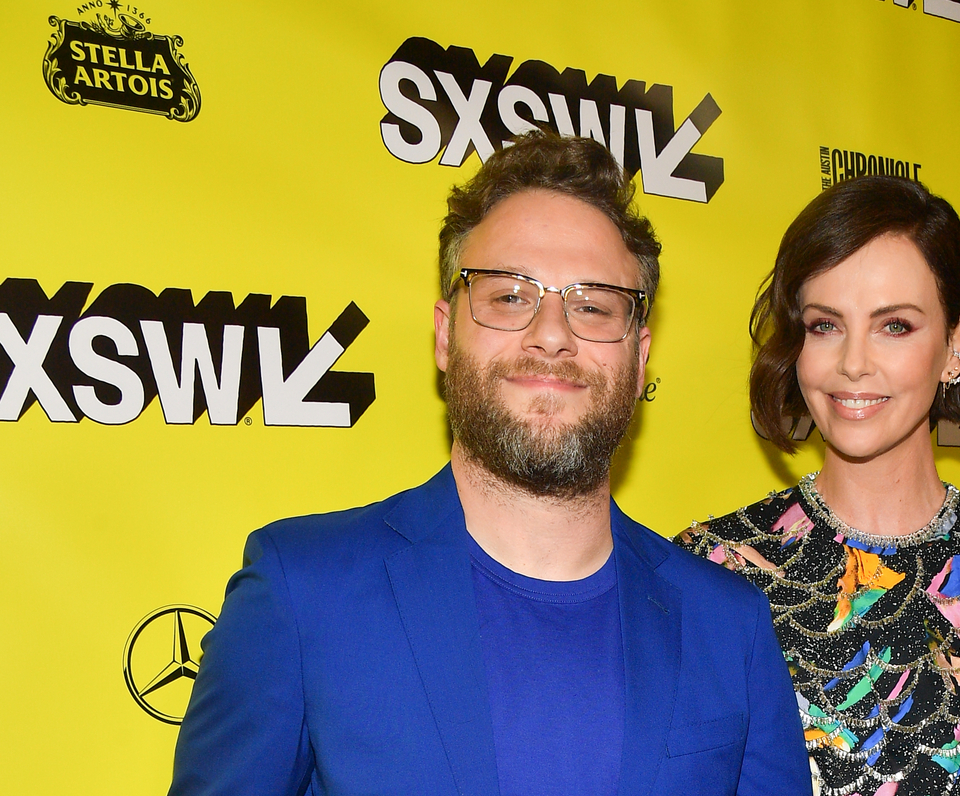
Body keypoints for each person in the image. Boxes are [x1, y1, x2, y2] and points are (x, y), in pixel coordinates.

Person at [170, 131, 811, 796]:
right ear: (445, 334)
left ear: (639, 354)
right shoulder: (300, 591)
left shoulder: (727, 627)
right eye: (509, 296)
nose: (553, 334)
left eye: (592, 306)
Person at [677, 175, 960, 796]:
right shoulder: (712, 572)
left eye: (895, 326)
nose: (853, 362)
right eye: (825, 325)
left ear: (954, 346)